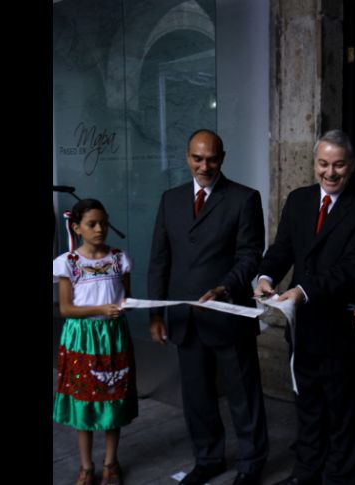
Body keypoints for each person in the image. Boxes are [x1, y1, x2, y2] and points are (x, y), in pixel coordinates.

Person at [255, 130, 355, 485]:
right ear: (314, 164)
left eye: (339, 164)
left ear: (352, 166)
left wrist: (300, 290)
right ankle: (305, 474)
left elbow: (350, 268)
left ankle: (340, 478)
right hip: (303, 327)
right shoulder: (298, 200)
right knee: (308, 405)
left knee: (344, 412)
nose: (330, 172)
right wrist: (266, 276)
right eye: (323, 164)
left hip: (342, 329)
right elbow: (282, 248)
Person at [147, 129, 267, 485]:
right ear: (187, 157)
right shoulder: (170, 200)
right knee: (197, 398)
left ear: (222, 158)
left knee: (243, 396)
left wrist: (226, 286)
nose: (204, 166)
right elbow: (159, 260)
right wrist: (156, 313)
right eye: (197, 158)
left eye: (211, 159)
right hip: (185, 318)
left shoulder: (244, 198)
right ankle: (209, 458)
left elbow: (250, 255)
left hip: (228, 315)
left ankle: (250, 463)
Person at [53, 198, 136, 485]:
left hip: (113, 337)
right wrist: (100, 309)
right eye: (91, 224)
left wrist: (127, 306)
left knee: (114, 398)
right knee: (84, 400)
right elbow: (65, 309)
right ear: (76, 228)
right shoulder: (68, 264)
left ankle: (111, 463)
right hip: (82, 339)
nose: (100, 228)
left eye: (103, 222)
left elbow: (125, 299)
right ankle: (86, 466)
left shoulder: (118, 259)